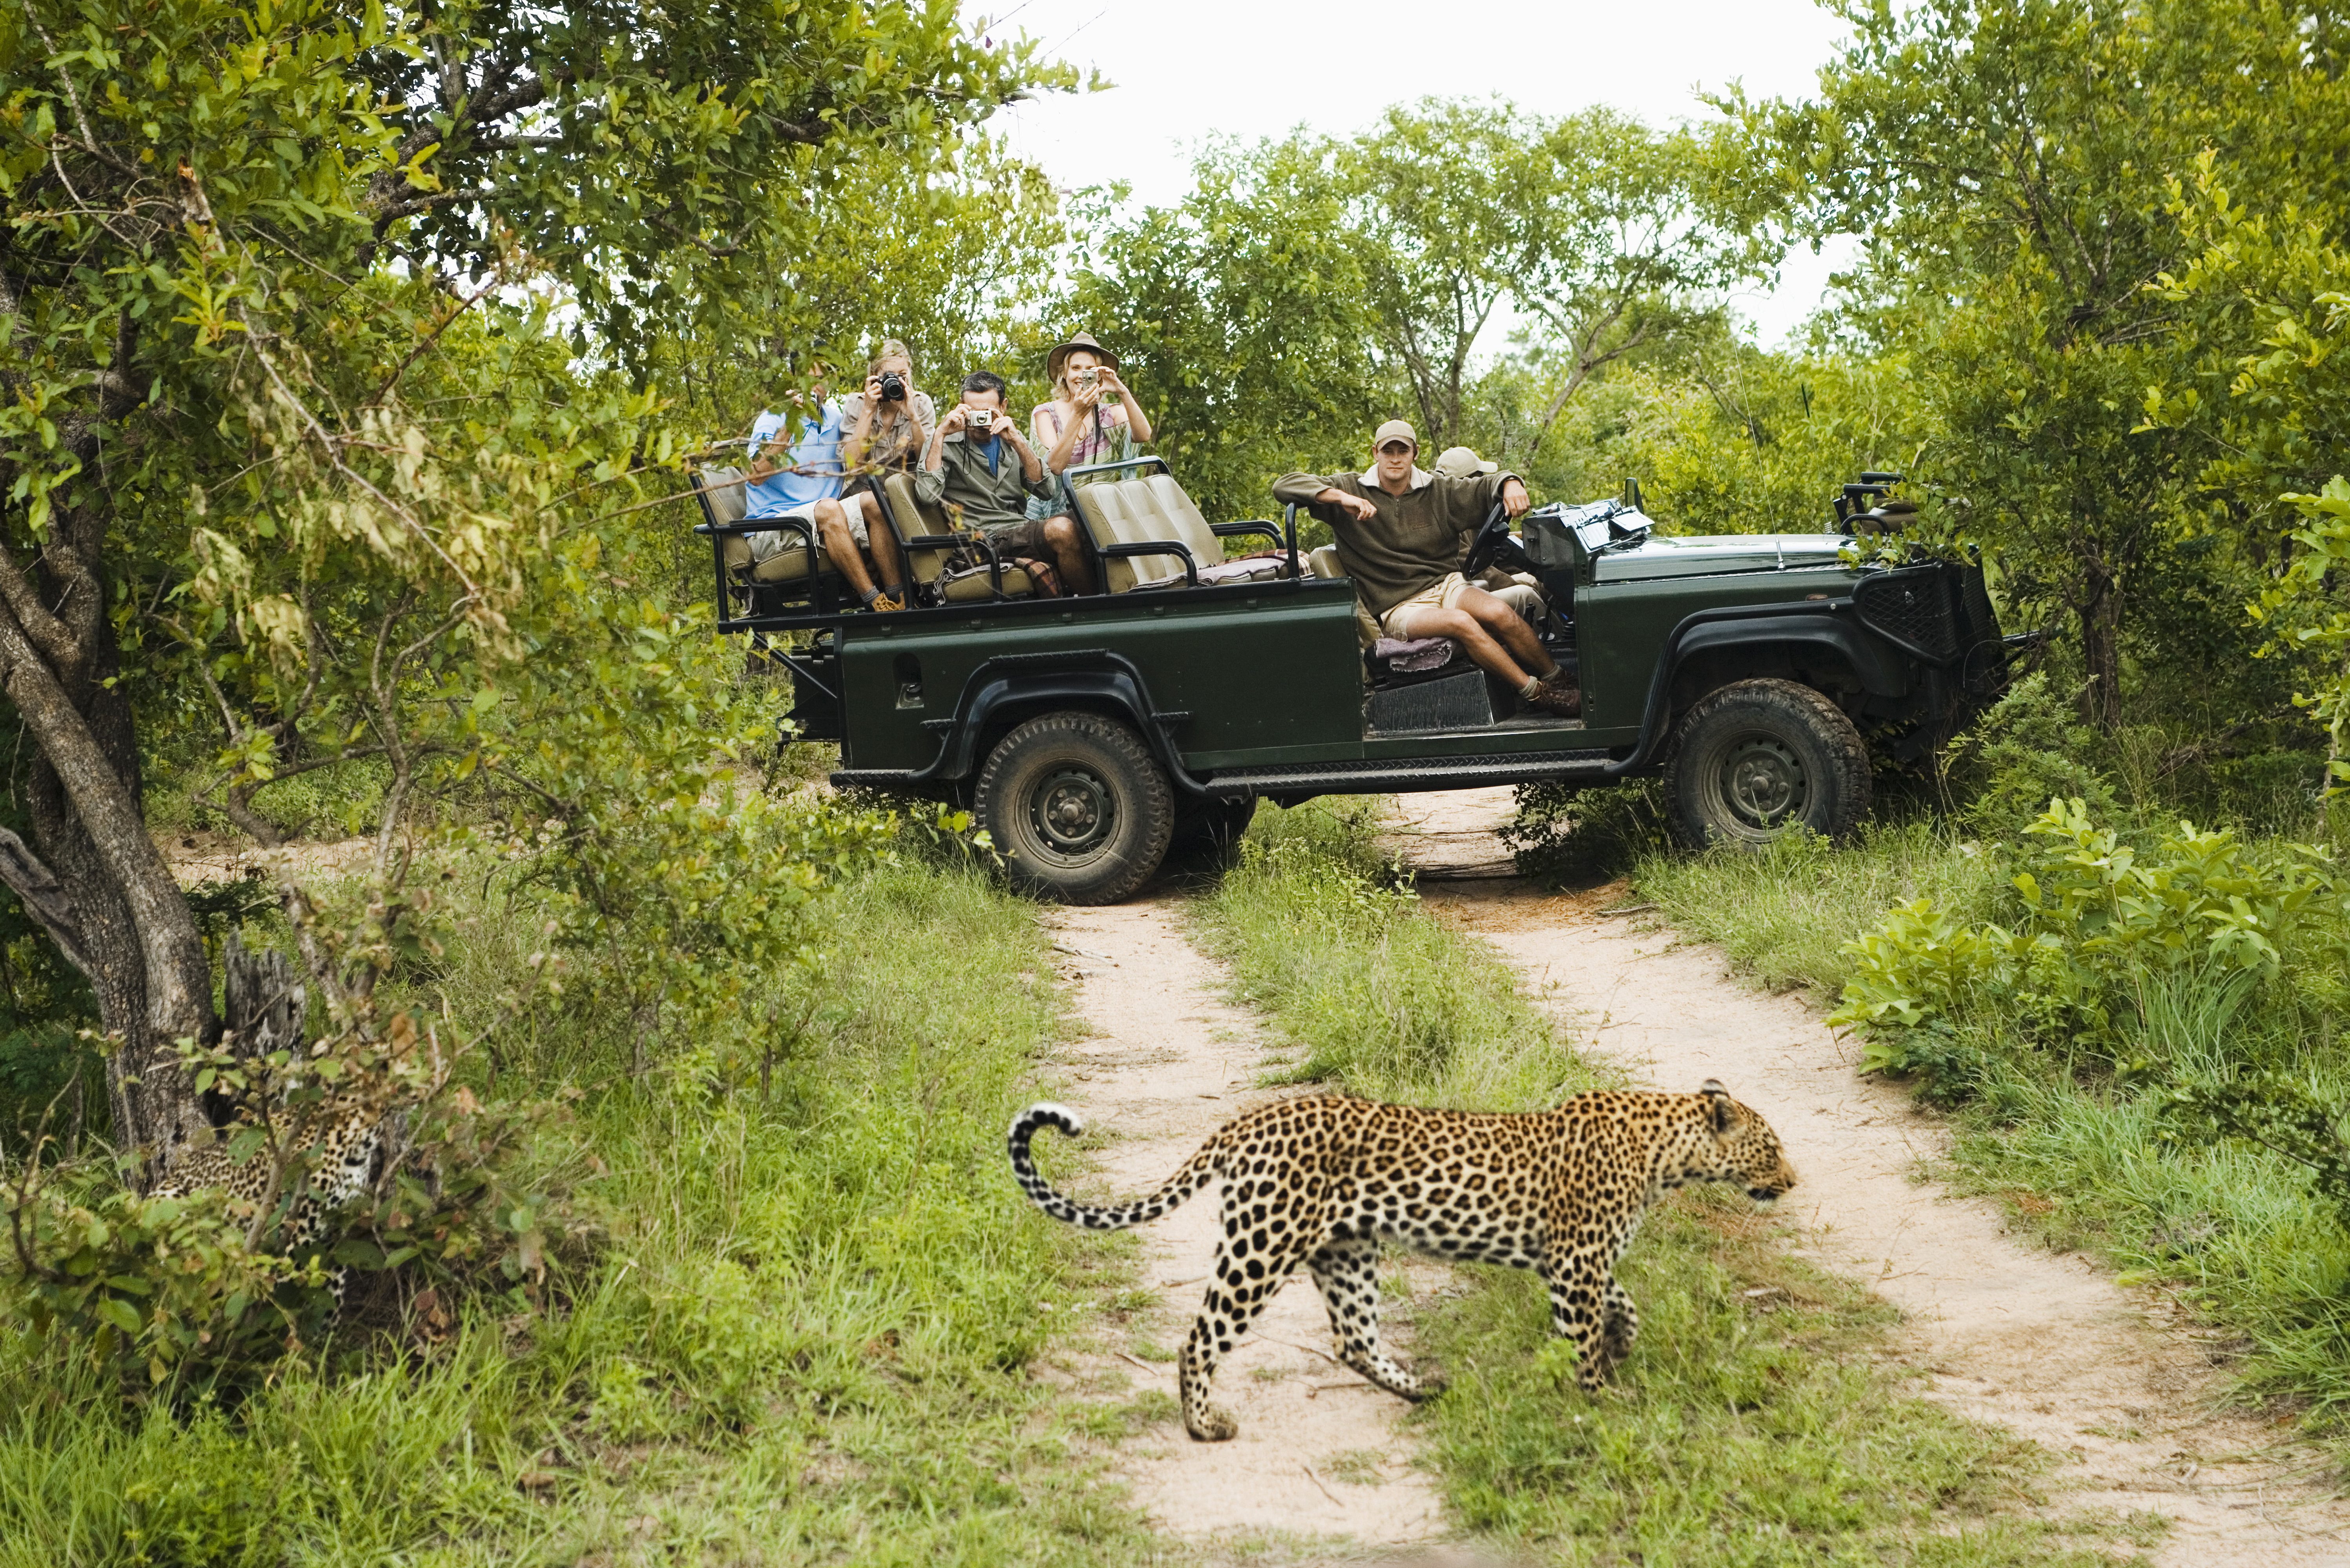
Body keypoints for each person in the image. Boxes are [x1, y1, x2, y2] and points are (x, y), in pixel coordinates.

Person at [1274, 421, 1579, 717]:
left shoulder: (1438, 490)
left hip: (1446, 585)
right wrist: (1341, 499)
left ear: (1415, 453)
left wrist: (1510, 482)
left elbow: (1483, 486)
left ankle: (1560, 678)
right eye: (1388, 451)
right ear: (1375, 453)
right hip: (1400, 606)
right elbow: (1285, 485)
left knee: (1500, 613)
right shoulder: (1352, 488)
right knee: (1462, 623)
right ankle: (1536, 693)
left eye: (1402, 451)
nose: (1395, 458)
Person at [740, 352, 908, 611]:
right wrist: (788, 429)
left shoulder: (833, 418)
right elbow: (756, 476)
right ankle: (876, 602)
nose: (819, 386)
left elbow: (854, 463)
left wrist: (874, 410)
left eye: (825, 378)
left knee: (875, 503)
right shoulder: (773, 417)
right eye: (812, 379)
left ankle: (900, 598)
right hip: (774, 526)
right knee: (829, 509)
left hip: (824, 518)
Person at [916, 371, 1097, 596]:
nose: (980, 419)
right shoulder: (942, 442)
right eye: (973, 412)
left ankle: (1121, 594)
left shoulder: (1011, 438)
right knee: (1061, 529)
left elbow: (1047, 490)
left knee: (1093, 518)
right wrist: (941, 433)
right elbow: (927, 496)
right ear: (960, 407)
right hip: (981, 540)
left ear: (1003, 407)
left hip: (1018, 530)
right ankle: (1091, 609)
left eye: (988, 411)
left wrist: (1017, 442)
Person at [1030, 332, 1155, 512]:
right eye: (1075, 368)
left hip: (1101, 508)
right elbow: (1055, 466)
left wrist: (1122, 391)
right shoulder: (1045, 414)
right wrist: (1078, 414)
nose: (1082, 375)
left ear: (1099, 376)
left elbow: (1144, 435)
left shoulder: (1109, 414)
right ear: (1064, 373)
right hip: (1056, 512)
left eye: (1090, 370)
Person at [840, 338, 936, 479]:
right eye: (889, 375)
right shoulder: (857, 404)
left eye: (902, 375)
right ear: (874, 375)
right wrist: (868, 410)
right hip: (867, 488)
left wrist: (913, 418)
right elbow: (852, 467)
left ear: (909, 372)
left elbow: (929, 466)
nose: (896, 381)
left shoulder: (921, 404)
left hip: (906, 487)